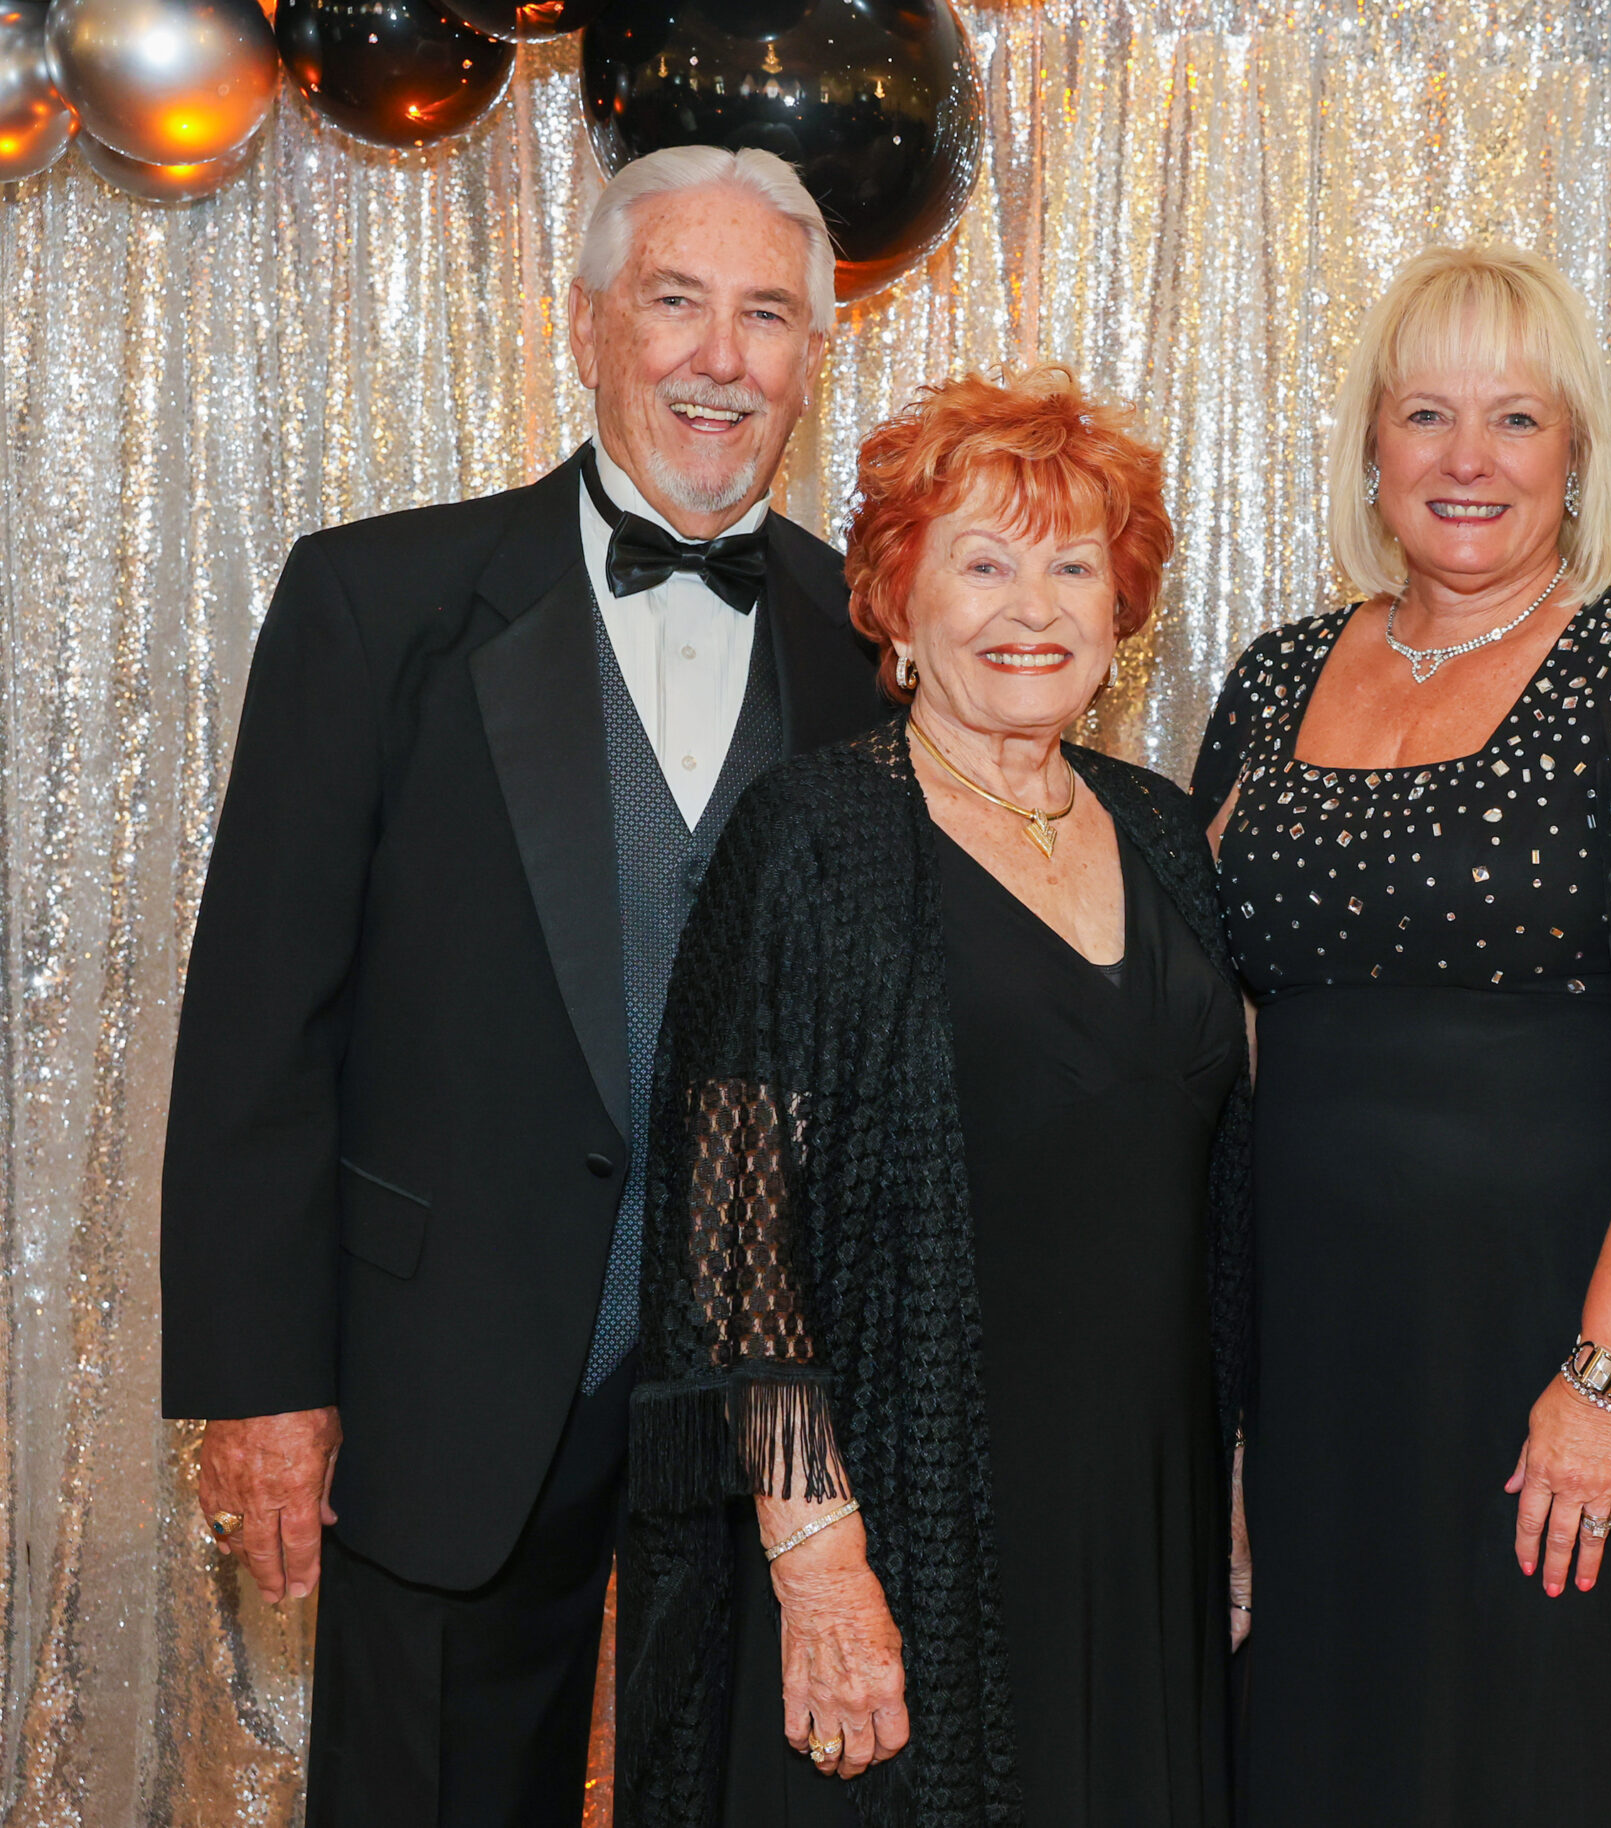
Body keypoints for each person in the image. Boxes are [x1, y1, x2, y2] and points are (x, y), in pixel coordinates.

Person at [158, 146, 882, 1825]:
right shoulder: (376, 601)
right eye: (676, 301)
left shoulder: (871, 638)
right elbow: (262, 1020)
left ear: (810, 360)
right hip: (447, 1378)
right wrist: (263, 1381)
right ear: (585, 323)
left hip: (766, 1420)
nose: (721, 358)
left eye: (767, 315)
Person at [1193, 245, 1611, 1825]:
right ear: (1372, 447)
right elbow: (1206, 1043)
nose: (1467, 459)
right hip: (1317, 1365)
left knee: (1552, 1759)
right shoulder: (1271, 680)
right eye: (1427, 415)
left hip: (1557, 1351)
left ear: (1574, 454)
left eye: (1516, 419)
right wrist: (1217, 1407)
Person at [615, 366, 1250, 1828]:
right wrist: (818, 1561)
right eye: (984, 563)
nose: (1035, 607)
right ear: (898, 606)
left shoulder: (1162, 833)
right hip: (902, 1502)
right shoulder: (813, 835)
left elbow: (1209, 1200)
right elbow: (734, 1238)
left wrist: (1227, 1490)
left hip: (1141, 1509)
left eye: (1073, 566)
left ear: (1120, 609)